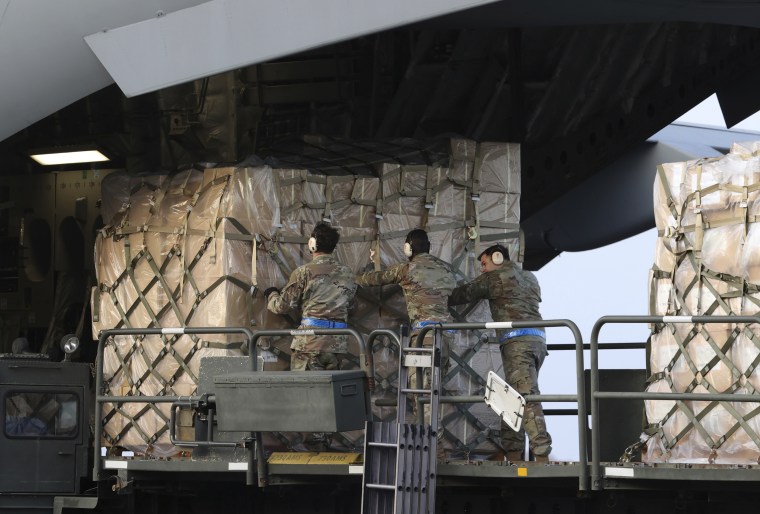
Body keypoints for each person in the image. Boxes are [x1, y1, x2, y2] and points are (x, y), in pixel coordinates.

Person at [449, 244, 552, 463]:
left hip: (518, 343)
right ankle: (512, 451)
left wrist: (436, 286)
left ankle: (541, 455)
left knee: (527, 397)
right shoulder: (530, 278)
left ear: (497, 258)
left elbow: (460, 295)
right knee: (513, 395)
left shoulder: (494, 278)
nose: (483, 270)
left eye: (484, 264)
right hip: (537, 341)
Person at [355, 229, 457, 423]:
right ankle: (431, 445)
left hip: (424, 338)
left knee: (422, 393)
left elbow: (375, 280)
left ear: (408, 248)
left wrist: (358, 275)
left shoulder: (406, 269)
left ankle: (436, 450)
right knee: (432, 390)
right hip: (446, 336)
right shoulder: (446, 269)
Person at [265, 222, 357, 371]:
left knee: (306, 392)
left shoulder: (304, 272)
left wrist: (271, 294)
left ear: (312, 245)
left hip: (310, 344)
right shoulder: (348, 274)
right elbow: (352, 307)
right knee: (331, 390)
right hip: (338, 344)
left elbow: (282, 306)